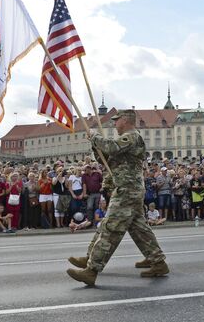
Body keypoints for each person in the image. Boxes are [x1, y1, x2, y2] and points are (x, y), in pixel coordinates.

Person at [67, 109, 169, 286]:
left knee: (110, 229)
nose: (114, 123)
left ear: (125, 120)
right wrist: (94, 144)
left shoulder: (131, 136)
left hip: (127, 190)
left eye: (116, 120)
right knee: (139, 228)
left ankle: (92, 270)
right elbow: (106, 157)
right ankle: (158, 261)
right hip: (127, 189)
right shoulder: (126, 139)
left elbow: (111, 147)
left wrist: (95, 137)